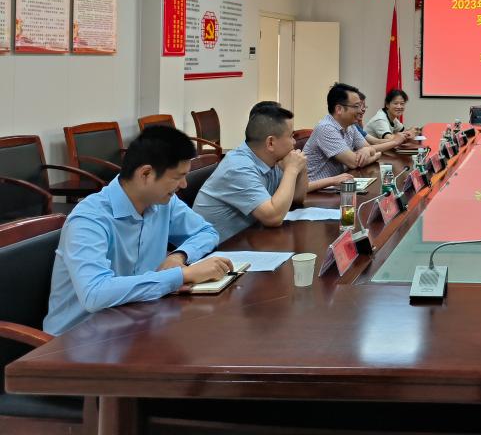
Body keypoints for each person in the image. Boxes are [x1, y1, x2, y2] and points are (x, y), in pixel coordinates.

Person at [44, 126, 231, 335]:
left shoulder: (163, 202)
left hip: (135, 323)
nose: (184, 184)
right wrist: (182, 275)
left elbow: (206, 232)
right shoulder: (90, 219)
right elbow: (95, 293)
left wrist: (179, 256)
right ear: (146, 174)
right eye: (178, 177)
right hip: (78, 339)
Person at [193, 104, 308, 243]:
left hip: (244, 241)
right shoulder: (238, 167)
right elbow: (273, 218)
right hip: (213, 250)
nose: (294, 142)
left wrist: (301, 168)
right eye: (291, 136)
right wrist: (292, 170)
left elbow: (296, 198)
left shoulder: (271, 159)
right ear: (270, 143)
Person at [304, 83, 386, 182]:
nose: (361, 111)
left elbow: (374, 151)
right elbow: (354, 163)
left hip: (338, 183)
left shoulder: (351, 126)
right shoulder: (325, 128)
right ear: (339, 109)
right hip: (317, 189)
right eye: (356, 106)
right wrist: (368, 152)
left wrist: (367, 150)